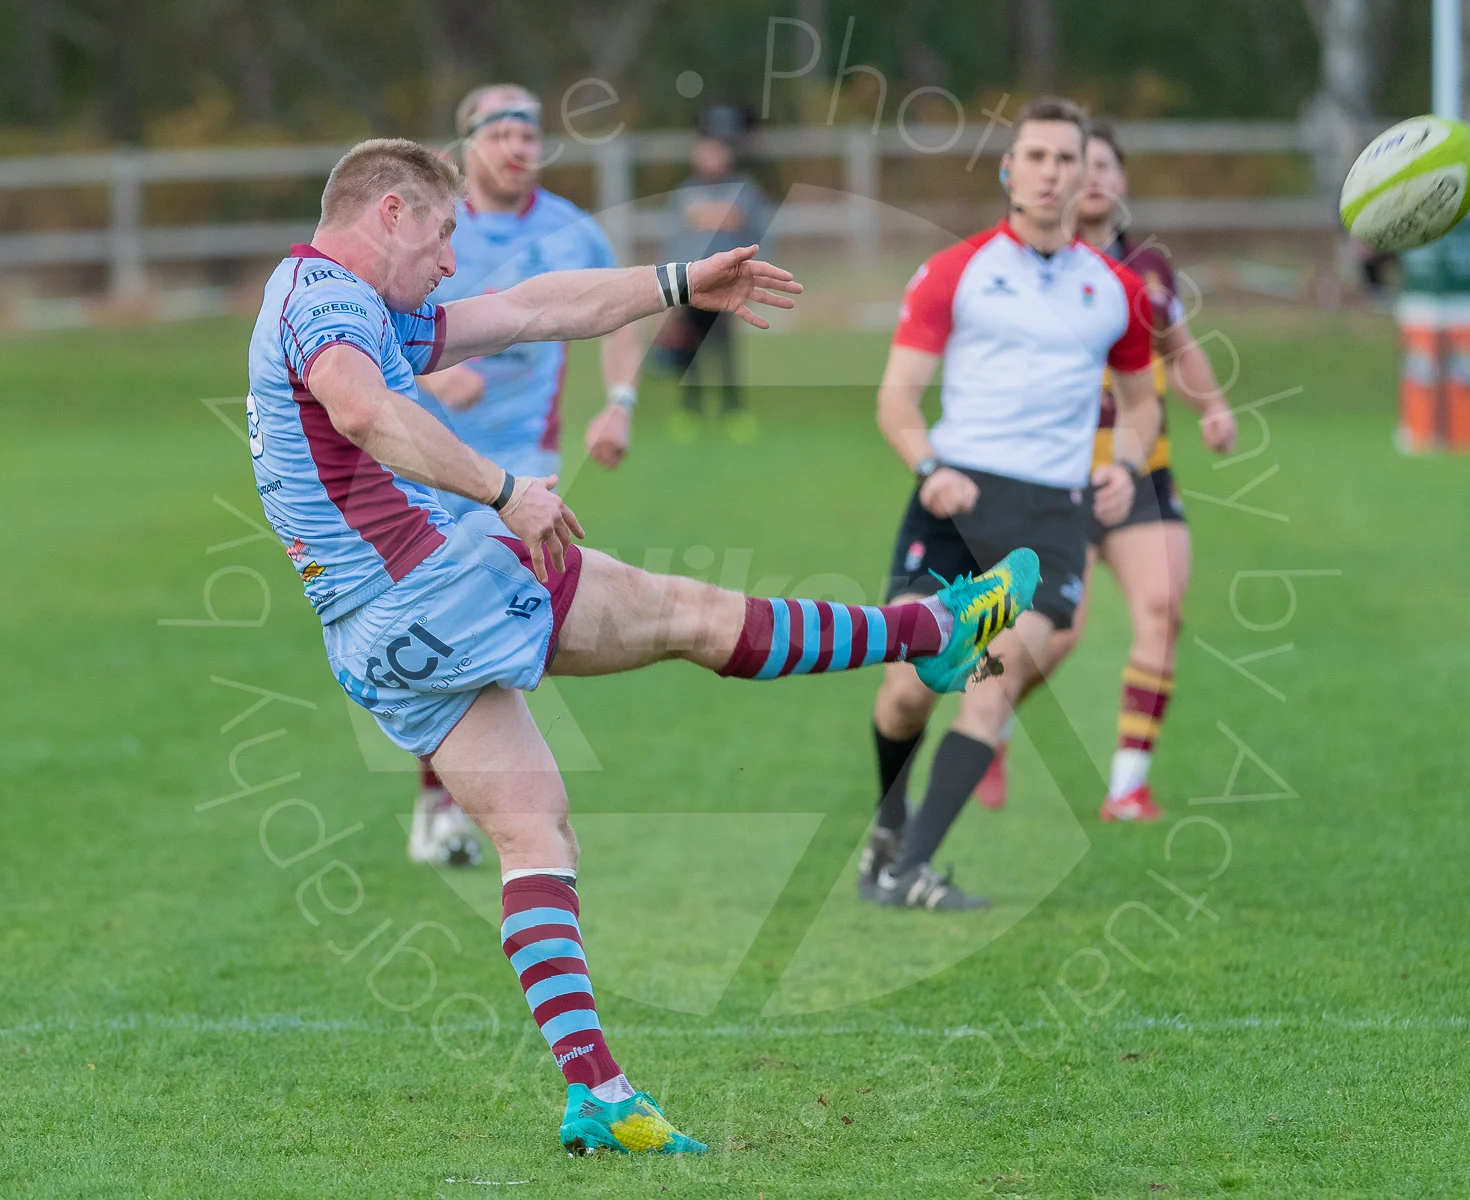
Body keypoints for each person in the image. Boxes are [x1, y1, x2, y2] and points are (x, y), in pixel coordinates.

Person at [246, 137, 1036, 1153]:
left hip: (369, 641)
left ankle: (599, 1097)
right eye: (444, 235)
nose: (452, 261)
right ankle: (927, 630)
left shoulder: (344, 302)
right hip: (436, 583)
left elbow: (534, 309)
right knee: (689, 616)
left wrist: (679, 282)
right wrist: (502, 490)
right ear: (390, 212)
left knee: (535, 833)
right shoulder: (328, 299)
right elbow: (361, 410)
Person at [855, 97, 1160, 911]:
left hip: (1052, 520)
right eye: (1037, 157)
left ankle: (909, 868)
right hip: (955, 499)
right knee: (909, 688)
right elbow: (896, 400)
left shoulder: (1118, 290)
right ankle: (888, 829)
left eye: (1068, 158)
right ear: (1008, 169)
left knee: (993, 682)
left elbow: (1143, 407)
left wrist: (1126, 467)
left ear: (1088, 175)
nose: (1053, 172)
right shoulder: (956, 272)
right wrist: (929, 469)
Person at [404, 83, 644, 868]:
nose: (516, 146)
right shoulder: (433, 230)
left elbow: (616, 315)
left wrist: (619, 402)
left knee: (504, 617)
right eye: (499, 133)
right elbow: (378, 322)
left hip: (526, 466)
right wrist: (435, 380)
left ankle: (460, 803)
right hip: (424, 457)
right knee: (448, 622)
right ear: (465, 146)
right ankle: (446, 804)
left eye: (527, 134)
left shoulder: (573, 232)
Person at [971, 120, 1239, 822]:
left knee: (1163, 611)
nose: (1091, 177)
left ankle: (1127, 785)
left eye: (1105, 166)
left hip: (1140, 474)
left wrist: (1212, 406)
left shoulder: (1147, 271)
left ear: (1121, 182)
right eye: (1077, 163)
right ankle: (988, 727)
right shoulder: (1029, 268)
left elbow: (1179, 347)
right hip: (1052, 481)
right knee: (1057, 634)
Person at [657, 104, 768, 444]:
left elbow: (757, 232)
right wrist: (669, 288)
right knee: (690, 350)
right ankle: (690, 409)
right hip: (691, 286)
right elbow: (675, 240)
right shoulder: (686, 193)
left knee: (725, 349)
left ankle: (732, 408)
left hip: (729, 285)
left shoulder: (745, 190)